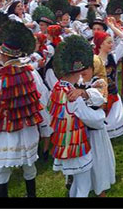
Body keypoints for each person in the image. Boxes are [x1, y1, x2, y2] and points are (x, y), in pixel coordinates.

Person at [0, 21, 50, 198]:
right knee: (29, 166)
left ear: (3, 56)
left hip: (6, 130)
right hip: (28, 128)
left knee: (2, 170)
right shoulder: (31, 72)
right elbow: (42, 95)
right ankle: (31, 196)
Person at [49, 35, 110, 197]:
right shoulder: (72, 94)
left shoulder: (57, 88)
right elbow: (93, 119)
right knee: (83, 185)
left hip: (66, 143)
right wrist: (101, 116)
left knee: (78, 183)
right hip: (77, 146)